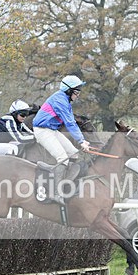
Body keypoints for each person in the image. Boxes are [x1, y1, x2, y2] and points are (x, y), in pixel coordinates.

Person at [32, 75, 91, 205]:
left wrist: (82, 142)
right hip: (42, 131)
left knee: (74, 153)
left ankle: (65, 183)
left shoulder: (65, 100)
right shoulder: (60, 101)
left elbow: (72, 123)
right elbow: (69, 123)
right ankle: (55, 193)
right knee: (63, 158)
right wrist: (81, 141)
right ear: (69, 90)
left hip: (51, 130)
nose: (78, 94)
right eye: (77, 91)